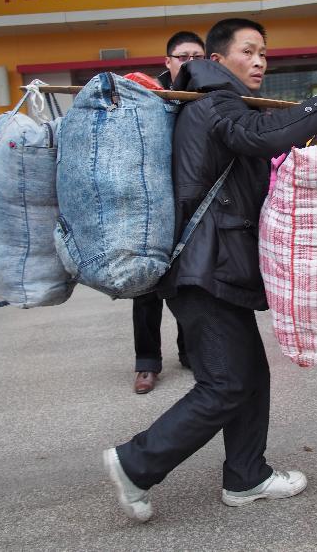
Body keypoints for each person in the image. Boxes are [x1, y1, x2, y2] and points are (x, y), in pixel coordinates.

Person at [103, 18, 317, 523]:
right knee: (225, 383)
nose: (261, 60)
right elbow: (258, 136)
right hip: (205, 268)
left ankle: (247, 476)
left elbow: (262, 139)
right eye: (249, 50)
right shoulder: (215, 101)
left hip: (217, 266)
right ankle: (137, 462)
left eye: (265, 51)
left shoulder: (211, 100)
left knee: (250, 375)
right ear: (218, 59)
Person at [131, 31, 206, 394]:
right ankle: (147, 363)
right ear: (168, 61)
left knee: (186, 281)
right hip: (149, 203)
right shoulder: (146, 95)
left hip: (191, 202)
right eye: (182, 57)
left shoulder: (210, 92)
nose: (190, 63)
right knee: (145, 284)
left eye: (197, 56)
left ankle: (190, 351)